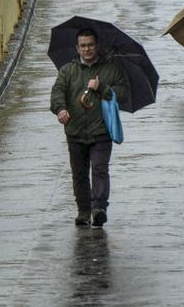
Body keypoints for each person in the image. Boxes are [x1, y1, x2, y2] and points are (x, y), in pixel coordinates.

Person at [50, 28, 128, 226]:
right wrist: (60, 109)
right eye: (83, 46)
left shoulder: (111, 69)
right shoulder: (68, 71)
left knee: (100, 169)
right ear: (77, 48)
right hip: (75, 132)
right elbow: (57, 92)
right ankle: (83, 211)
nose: (87, 49)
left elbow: (122, 93)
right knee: (79, 174)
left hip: (101, 131)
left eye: (90, 45)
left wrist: (101, 88)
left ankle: (99, 207)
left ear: (97, 46)